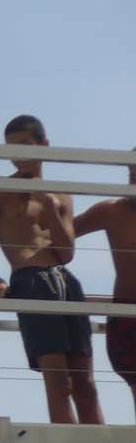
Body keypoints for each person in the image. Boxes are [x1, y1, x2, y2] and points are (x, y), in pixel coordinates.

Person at [0, 114, 103, 424]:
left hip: (66, 282)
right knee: (59, 383)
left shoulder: (61, 194)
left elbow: (66, 253)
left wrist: (50, 205)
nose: (18, 154)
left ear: (44, 145)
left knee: (86, 384)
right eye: (11, 148)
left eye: (25, 144)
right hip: (30, 280)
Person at [74, 150, 136, 417]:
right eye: (131, 172)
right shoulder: (111, 210)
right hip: (126, 315)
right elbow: (56, 237)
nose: (133, 178)